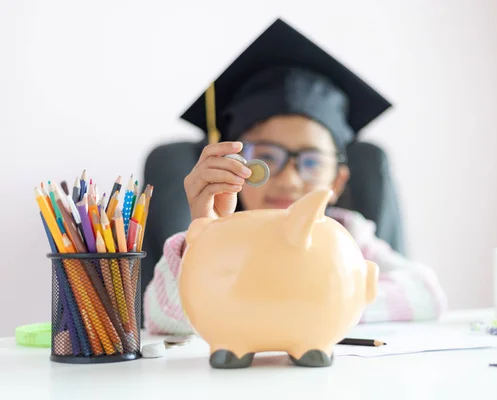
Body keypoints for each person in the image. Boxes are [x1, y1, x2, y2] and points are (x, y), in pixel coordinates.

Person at [143, 18, 447, 335]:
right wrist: (203, 234)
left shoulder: (347, 232)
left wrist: (311, 302)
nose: (288, 180)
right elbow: (161, 317)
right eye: (267, 157)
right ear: (236, 164)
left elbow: (426, 293)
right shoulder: (221, 236)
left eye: (311, 162)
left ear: (337, 181)